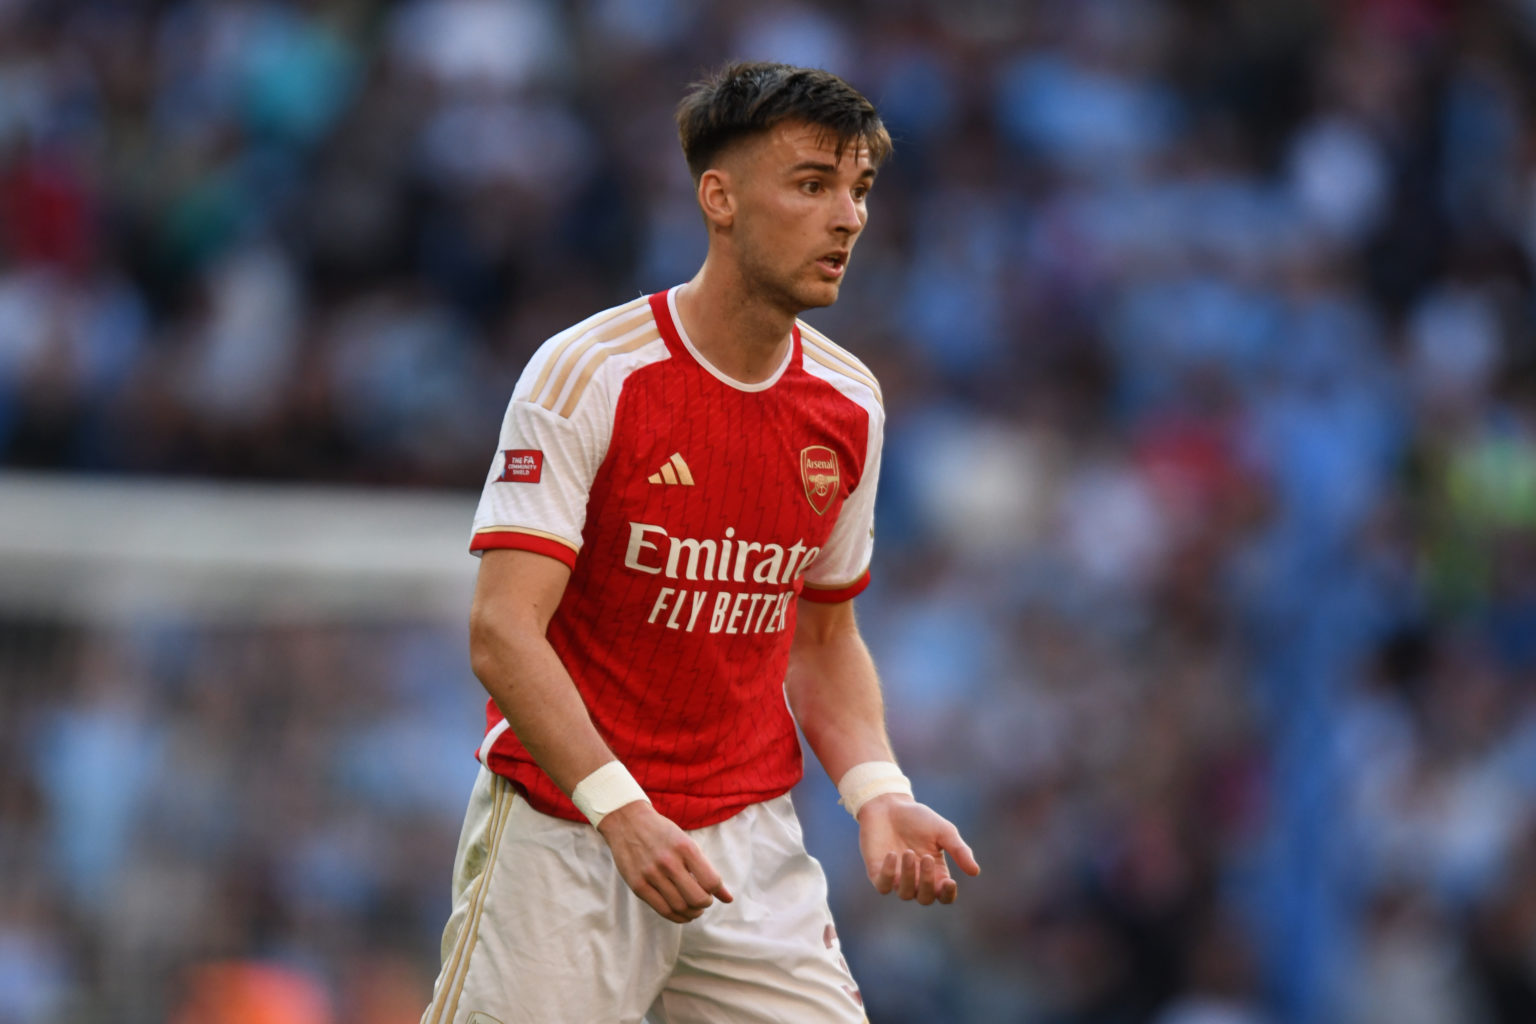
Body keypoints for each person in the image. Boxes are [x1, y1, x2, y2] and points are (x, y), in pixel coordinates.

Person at [421, 60, 980, 1024]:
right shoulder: (589, 375)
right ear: (719, 198)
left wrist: (877, 790)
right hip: (569, 833)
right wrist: (622, 812)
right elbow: (502, 633)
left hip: (746, 842)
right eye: (812, 185)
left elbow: (823, 637)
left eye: (860, 191)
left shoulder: (849, 404)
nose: (847, 218)